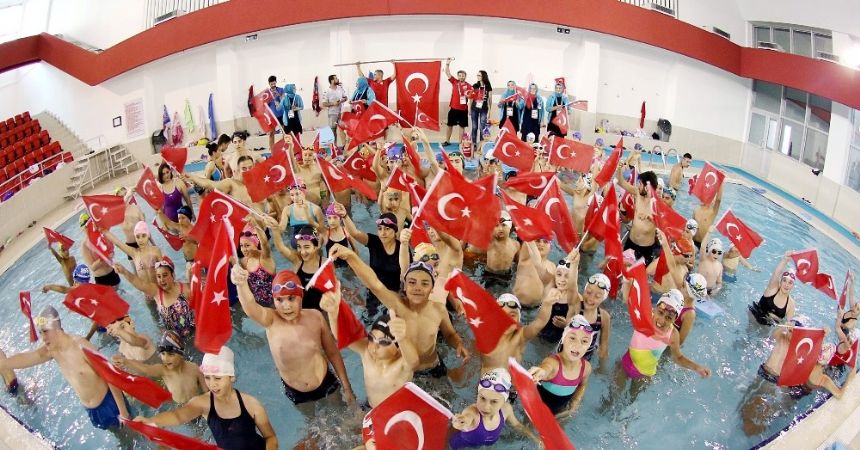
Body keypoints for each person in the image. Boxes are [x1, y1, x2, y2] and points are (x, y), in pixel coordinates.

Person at [330, 244, 470, 377]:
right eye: (412, 282)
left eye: (425, 283)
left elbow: (450, 334)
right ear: (405, 286)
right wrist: (351, 256)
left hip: (433, 366)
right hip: (407, 370)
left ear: (432, 288)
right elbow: (375, 284)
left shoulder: (438, 309)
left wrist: (458, 344)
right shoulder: (398, 306)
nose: (418, 288)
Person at [232, 267, 356, 406]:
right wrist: (241, 284)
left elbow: (333, 353)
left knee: (343, 411)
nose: (286, 306)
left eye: (291, 298)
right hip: (295, 391)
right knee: (311, 419)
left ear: (301, 296)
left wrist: (347, 387)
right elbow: (250, 306)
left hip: (325, 381)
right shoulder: (271, 320)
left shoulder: (316, 317)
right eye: (279, 300)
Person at [0, 306, 131, 430]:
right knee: (118, 437)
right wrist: (4, 364)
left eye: (45, 331)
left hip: (110, 404)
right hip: (93, 410)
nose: (43, 338)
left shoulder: (81, 346)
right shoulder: (52, 350)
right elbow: (28, 357)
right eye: (40, 332)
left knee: (129, 437)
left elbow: (109, 375)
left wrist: (123, 412)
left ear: (57, 329)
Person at [134, 346, 278, 449]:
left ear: (231, 377)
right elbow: (178, 416)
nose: (212, 384)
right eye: (208, 378)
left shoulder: (251, 404)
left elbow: (270, 438)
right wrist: (151, 421)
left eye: (218, 378)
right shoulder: (203, 403)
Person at [740, 317, 850, 436]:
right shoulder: (781, 337)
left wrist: (823, 334)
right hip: (764, 373)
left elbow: (814, 350)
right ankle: (746, 420)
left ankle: (756, 427)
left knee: (766, 408)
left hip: (777, 381)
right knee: (749, 400)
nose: (791, 332)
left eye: (795, 331)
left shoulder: (797, 349)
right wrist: (785, 325)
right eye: (791, 329)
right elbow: (774, 334)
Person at [321, 293, 418, 408]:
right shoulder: (366, 352)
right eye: (372, 338)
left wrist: (402, 338)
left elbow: (413, 362)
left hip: (394, 413)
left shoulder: (402, 364)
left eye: (383, 342)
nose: (374, 347)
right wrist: (333, 313)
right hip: (371, 407)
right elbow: (341, 336)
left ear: (398, 348)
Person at [618, 283, 710, 386]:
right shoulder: (644, 317)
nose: (662, 321)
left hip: (644, 375)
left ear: (675, 319)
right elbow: (629, 298)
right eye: (660, 313)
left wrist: (697, 368)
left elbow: (678, 358)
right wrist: (628, 281)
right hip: (625, 363)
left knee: (632, 396)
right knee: (613, 395)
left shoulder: (673, 334)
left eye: (668, 318)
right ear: (655, 308)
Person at [449, 369, 540, 449]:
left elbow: (517, 425)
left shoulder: (506, 409)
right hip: (459, 445)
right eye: (482, 398)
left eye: (494, 402)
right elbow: (466, 417)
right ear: (478, 394)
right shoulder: (472, 412)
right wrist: (460, 421)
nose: (486, 407)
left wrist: (536, 439)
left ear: (504, 401)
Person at [340, 209, 403, 319]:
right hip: (374, 291)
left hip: (394, 294)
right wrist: (345, 216)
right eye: (380, 229)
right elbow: (355, 233)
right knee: (369, 320)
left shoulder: (402, 248)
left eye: (387, 229)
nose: (383, 233)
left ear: (395, 230)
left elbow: (406, 274)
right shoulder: (374, 242)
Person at [112, 330, 207, 404]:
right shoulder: (163, 370)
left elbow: (206, 391)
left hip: (198, 405)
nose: (165, 358)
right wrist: (126, 361)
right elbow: (146, 369)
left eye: (171, 354)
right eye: (163, 354)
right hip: (181, 408)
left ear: (181, 354)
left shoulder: (194, 368)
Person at [530, 315, 593, 418]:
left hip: (561, 411)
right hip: (537, 410)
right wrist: (540, 372)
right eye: (572, 338)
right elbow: (546, 368)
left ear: (588, 346)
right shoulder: (553, 363)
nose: (577, 345)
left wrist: (575, 401)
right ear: (563, 339)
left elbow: (582, 385)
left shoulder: (586, 368)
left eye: (584, 341)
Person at [115, 256, 195, 338]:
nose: (162, 280)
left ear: (173, 275)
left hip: (193, 331)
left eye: (165, 275)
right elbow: (140, 284)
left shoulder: (185, 288)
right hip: (174, 337)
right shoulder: (157, 292)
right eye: (159, 276)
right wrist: (124, 271)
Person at [481, 293, 553, 373]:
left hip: (509, 376)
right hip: (486, 377)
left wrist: (547, 303)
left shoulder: (521, 335)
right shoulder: (487, 333)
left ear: (519, 318)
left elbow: (540, 321)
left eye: (512, 315)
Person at [269, 224, 325, 311]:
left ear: (316, 246)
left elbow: (332, 287)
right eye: (299, 247)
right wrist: (275, 229)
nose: (302, 252)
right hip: (301, 311)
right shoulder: (297, 262)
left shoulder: (325, 263)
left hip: (321, 310)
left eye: (306, 247)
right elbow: (281, 248)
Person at [616, 169, 662, 265]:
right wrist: (619, 169)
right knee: (622, 270)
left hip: (646, 249)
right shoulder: (638, 193)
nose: (638, 186)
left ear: (647, 187)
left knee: (640, 274)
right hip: (631, 243)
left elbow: (664, 226)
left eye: (640, 183)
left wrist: (651, 218)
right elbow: (621, 182)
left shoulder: (658, 204)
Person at [102, 220, 163, 291]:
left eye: (143, 236)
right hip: (147, 293)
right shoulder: (134, 253)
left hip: (159, 290)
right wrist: (103, 230)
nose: (140, 240)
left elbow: (165, 270)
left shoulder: (156, 251)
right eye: (137, 237)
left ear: (148, 235)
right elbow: (118, 243)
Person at [184, 155, 258, 209]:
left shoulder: (259, 185)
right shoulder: (231, 183)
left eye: (250, 168)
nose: (248, 171)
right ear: (238, 170)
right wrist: (192, 177)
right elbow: (210, 184)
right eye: (244, 168)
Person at [749, 252, 797, 326]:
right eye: (784, 281)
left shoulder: (791, 304)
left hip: (767, 326)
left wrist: (776, 318)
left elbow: (787, 326)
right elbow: (776, 274)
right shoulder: (772, 289)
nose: (786, 285)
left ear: (793, 286)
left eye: (790, 283)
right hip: (754, 316)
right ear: (780, 282)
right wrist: (785, 260)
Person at [78, 213, 121, 287]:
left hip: (113, 272)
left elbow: (111, 251)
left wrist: (110, 254)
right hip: (102, 279)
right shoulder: (85, 245)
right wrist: (102, 258)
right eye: (86, 227)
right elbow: (93, 268)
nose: (88, 228)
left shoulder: (101, 236)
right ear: (83, 229)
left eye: (89, 225)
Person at [442, 59, 470, 147]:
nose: (461, 77)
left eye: (463, 76)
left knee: (462, 126)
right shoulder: (454, 82)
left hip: (463, 110)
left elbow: (471, 98)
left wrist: (470, 108)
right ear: (458, 76)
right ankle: (447, 141)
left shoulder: (469, 86)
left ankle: (460, 142)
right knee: (449, 125)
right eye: (460, 75)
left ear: (465, 76)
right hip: (453, 108)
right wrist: (447, 64)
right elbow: (447, 73)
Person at [323, 74, 348, 148]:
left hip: (341, 112)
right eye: (336, 79)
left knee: (342, 129)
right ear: (332, 81)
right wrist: (333, 103)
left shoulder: (340, 88)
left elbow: (345, 97)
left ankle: (345, 146)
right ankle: (334, 147)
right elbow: (324, 103)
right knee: (333, 130)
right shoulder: (327, 91)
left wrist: (342, 100)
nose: (337, 80)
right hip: (332, 114)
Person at [470, 70, 492, 144]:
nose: (478, 77)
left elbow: (490, 99)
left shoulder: (488, 86)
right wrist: (469, 109)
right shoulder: (475, 85)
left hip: (484, 109)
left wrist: (489, 111)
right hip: (474, 108)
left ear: (483, 76)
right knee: (474, 127)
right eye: (477, 75)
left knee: (482, 127)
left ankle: (481, 144)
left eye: (479, 75)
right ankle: (474, 144)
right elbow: (471, 97)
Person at [266, 75, 286, 151]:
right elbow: (265, 105)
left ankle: (284, 148)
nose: (273, 85)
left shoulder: (281, 90)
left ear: (276, 82)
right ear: (269, 84)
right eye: (271, 84)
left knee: (284, 131)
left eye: (274, 83)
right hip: (272, 116)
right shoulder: (267, 93)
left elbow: (284, 100)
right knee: (271, 133)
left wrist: (278, 95)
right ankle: (272, 150)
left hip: (281, 114)